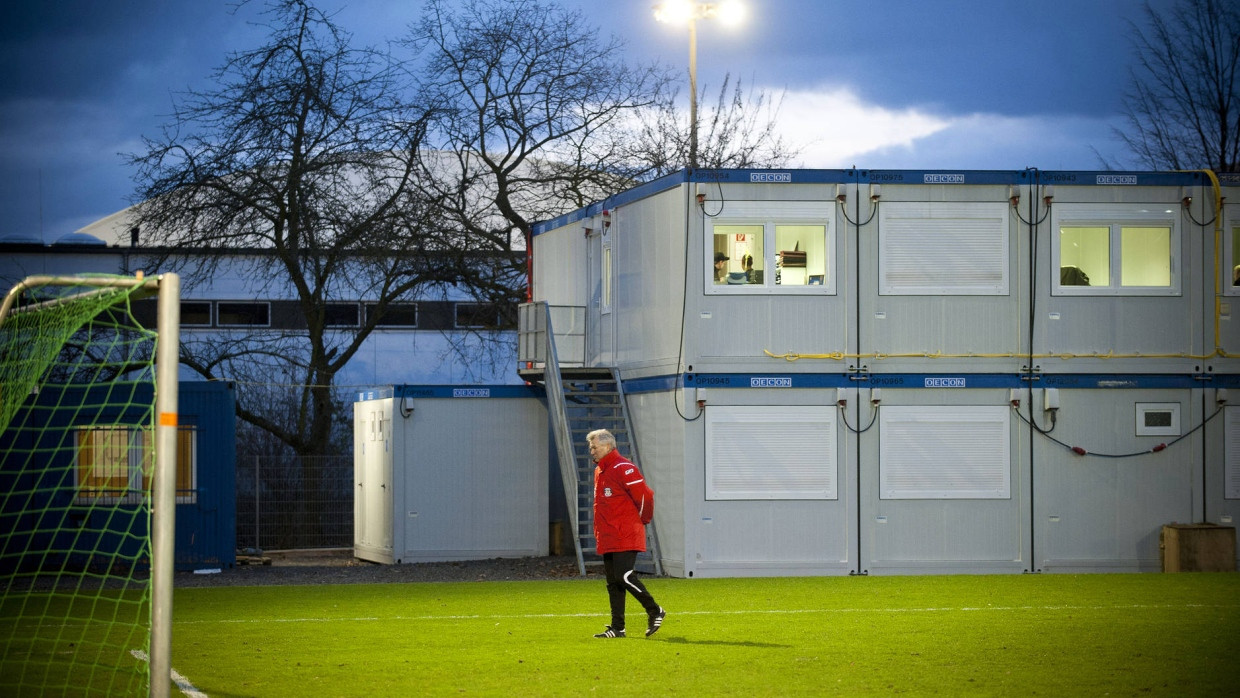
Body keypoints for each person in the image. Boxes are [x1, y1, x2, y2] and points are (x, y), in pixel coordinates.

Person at [586, 428, 665, 639]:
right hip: (609, 534)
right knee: (613, 581)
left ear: (608, 446)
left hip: (625, 533)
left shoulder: (624, 467)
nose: (591, 450)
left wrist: (642, 520)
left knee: (624, 575)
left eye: (594, 446)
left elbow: (646, 497)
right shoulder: (600, 471)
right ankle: (617, 628)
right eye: (590, 447)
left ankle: (654, 610)